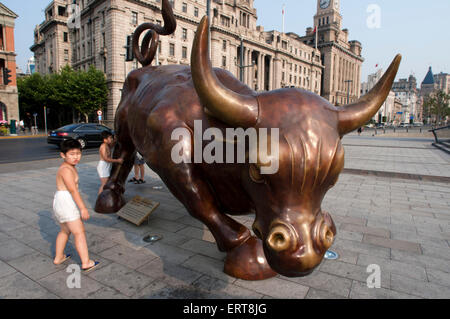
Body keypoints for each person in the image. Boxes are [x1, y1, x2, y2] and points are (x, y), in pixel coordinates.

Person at [53, 139, 99, 273]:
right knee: (79, 232)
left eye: (78, 153)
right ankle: (86, 262)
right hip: (66, 201)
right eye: (72, 154)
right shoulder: (66, 169)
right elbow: (73, 190)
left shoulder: (68, 167)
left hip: (61, 201)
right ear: (63, 155)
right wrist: (83, 208)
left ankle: (58, 257)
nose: (76, 157)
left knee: (64, 231)